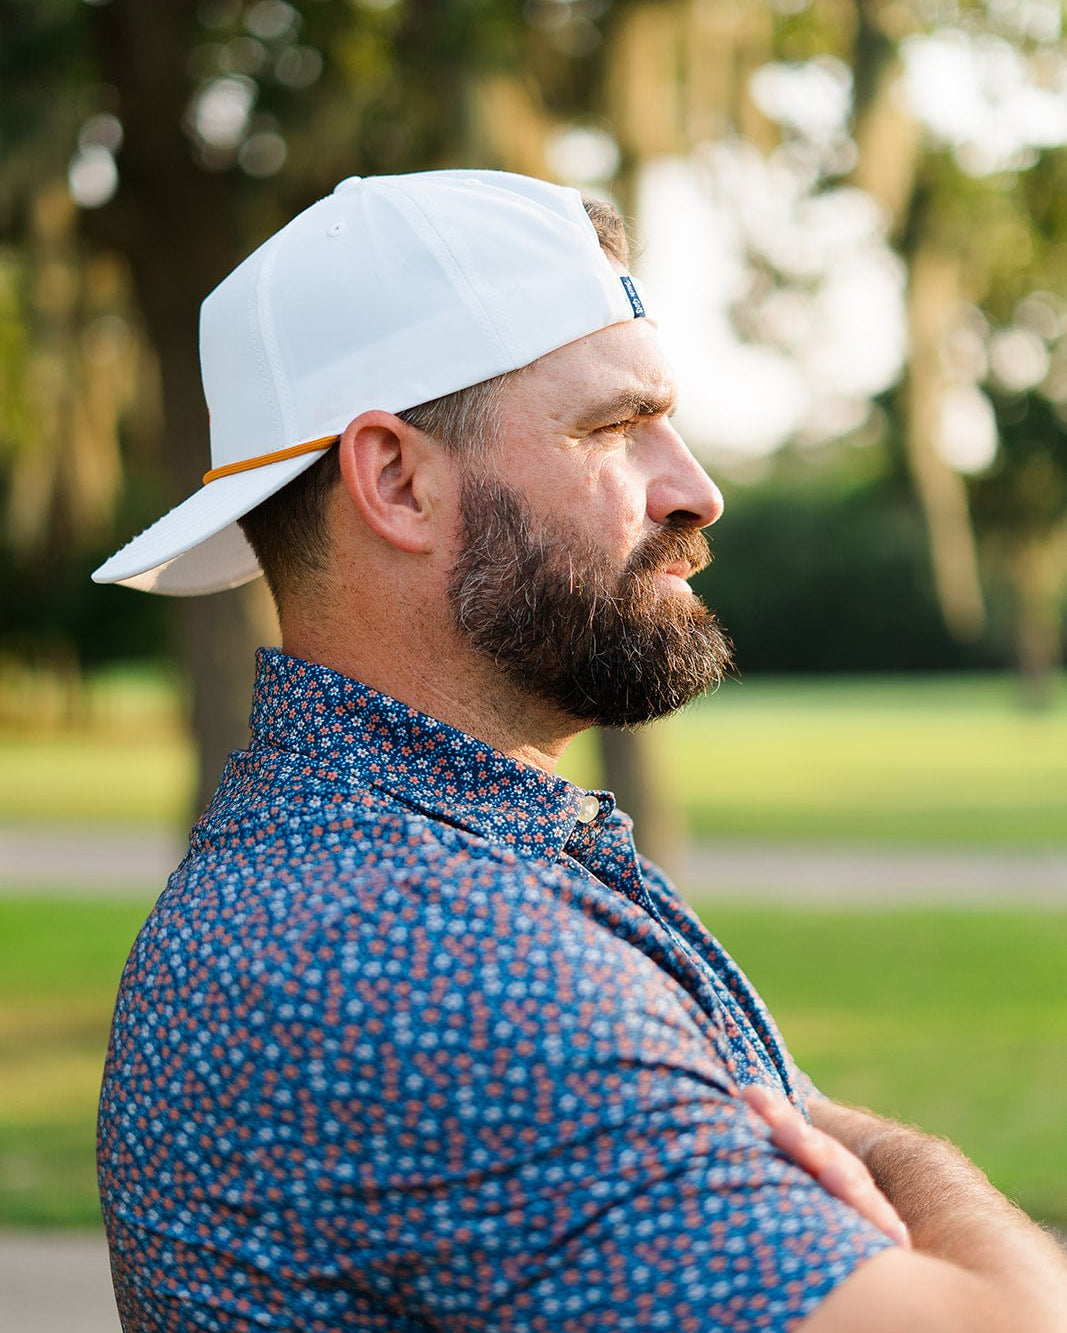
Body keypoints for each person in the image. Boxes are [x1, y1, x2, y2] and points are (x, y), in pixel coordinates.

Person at [93, 171, 1067, 1333]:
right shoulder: (428, 959)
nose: (696, 491)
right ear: (396, 480)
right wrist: (896, 1155)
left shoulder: (403, 860)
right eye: (614, 427)